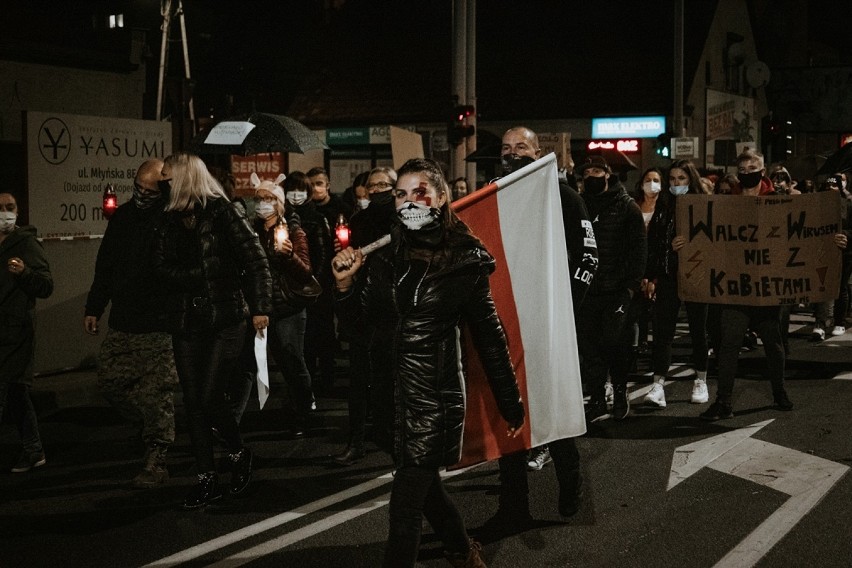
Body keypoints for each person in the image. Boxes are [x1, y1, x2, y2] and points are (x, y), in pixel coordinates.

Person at [332, 158, 525, 568]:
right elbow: (359, 326)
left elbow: (490, 338)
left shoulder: (463, 258)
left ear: (439, 197)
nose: (407, 201)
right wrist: (346, 285)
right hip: (388, 398)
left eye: (417, 192)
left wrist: (510, 402)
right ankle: (460, 548)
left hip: (432, 402)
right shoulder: (387, 253)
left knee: (403, 511)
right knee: (425, 490)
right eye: (400, 194)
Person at [152, 152, 273, 508]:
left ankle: (237, 454)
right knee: (192, 402)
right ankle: (206, 478)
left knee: (208, 397)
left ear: (185, 177)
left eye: (167, 175)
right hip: (187, 320)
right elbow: (159, 268)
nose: (162, 180)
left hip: (226, 318)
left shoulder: (224, 211)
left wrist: (261, 308)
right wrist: (198, 277)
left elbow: (255, 261)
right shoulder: (166, 219)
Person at [491, 127, 596, 525]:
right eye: (506, 148)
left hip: (550, 323)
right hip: (506, 326)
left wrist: (563, 308)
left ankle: (570, 480)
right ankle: (512, 506)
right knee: (509, 415)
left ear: (538, 153)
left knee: (552, 411)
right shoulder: (495, 198)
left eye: (521, 147)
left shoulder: (565, 198)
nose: (513, 153)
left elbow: (588, 258)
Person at [83, 159, 179, 488]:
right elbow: (105, 265)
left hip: (156, 322)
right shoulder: (123, 217)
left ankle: (157, 459)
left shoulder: (170, 219)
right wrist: (95, 306)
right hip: (123, 320)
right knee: (110, 382)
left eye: (148, 191)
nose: (141, 195)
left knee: (157, 392)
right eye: (137, 188)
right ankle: (152, 425)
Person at [698, 149, 810, 420]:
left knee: (774, 344)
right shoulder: (727, 201)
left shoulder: (779, 200)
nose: (748, 172)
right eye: (744, 168)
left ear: (763, 169)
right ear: (738, 171)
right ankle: (723, 401)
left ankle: (779, 392)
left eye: (753, 167)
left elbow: (802, 235)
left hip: (768, 288)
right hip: (736, 288)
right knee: (729, 345)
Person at [332, 165, 398, 467]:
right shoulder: (358, 220)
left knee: (391, 381)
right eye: (373, 185)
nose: (377, 190)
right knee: (358, 379)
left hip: (394, 309)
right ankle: (355, 441)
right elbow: (347, 256)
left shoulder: (403, 220)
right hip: (362, 307)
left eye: (385, 184)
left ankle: (396, 442)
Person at [577, 155, 646, 422]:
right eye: (587, 172)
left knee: (615, 344)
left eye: (596, 171)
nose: (591, 176)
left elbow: (639, 250)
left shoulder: (627, 207)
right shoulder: (580, 204)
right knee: (589, 348)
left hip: (617, 290)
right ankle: (596, 398)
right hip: (587, 289)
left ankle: (619, 391)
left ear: (607, 174)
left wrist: (630, 288)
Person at [643, 159, 711, 408]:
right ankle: (658, 385)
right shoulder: (663, 207)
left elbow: (715, 241)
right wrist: (667, 251)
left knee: (697, 331)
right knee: (663, 332)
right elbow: (654, 242)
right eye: (672, 179)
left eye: (681, 179)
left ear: (690, 180)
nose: (676, 184)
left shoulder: (704, 206)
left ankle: (700, 380)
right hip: (670, 275)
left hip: (697, 275)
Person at [251, 175, 315, 437]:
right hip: (262, 306)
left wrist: (289, 256)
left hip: (288, 307)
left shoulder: (293, 231)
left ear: (279, 203)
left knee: (292, 360)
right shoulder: (250, 231)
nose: (263, 204)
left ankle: (302, 411)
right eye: (258, 199)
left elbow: (306, 271)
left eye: (268, 199)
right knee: (269, 360)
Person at [0, 192, 54, 473]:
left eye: (10, 207)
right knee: (17, 393)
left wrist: (24, 273)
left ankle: (33, 451)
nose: (5, 213)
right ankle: (34, 451)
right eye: (0, 208)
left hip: (15, 332)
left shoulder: (25, 244)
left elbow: (46, 286)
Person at [284, 171, 333, 397]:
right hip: (291, 288)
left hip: (314, 287)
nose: (296, 195)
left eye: (301, 190)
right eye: (291, 190)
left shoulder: (316, 218)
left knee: (318, 336)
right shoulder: (283, 217)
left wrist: (316, 285)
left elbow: (323, 254)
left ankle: (322, 380)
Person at [305, 166, 344, 394]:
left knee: (327, 327)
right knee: (312, 328)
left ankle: (328, 373)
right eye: (311, 185)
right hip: (312, 274)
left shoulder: (339, 210)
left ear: (327, 184)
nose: (315, 188)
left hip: (332, 274)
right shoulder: (306, 212)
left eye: (319, 183)